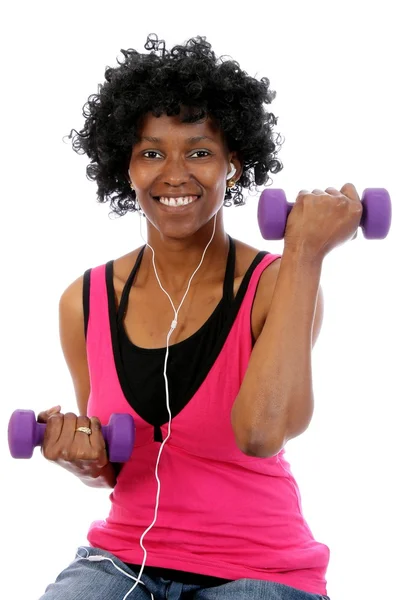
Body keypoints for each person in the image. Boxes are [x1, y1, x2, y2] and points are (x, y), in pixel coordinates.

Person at [38, 33, 362, 599]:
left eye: (200, 151)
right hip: (122, 560)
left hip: (258, 568)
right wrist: (81, 458)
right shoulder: (84, 301)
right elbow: (116, 465)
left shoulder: (274, 284)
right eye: (152, 152)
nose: (175, 173)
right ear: (128, 167)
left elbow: (261, 434)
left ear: (234, 163)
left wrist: (305, 253)